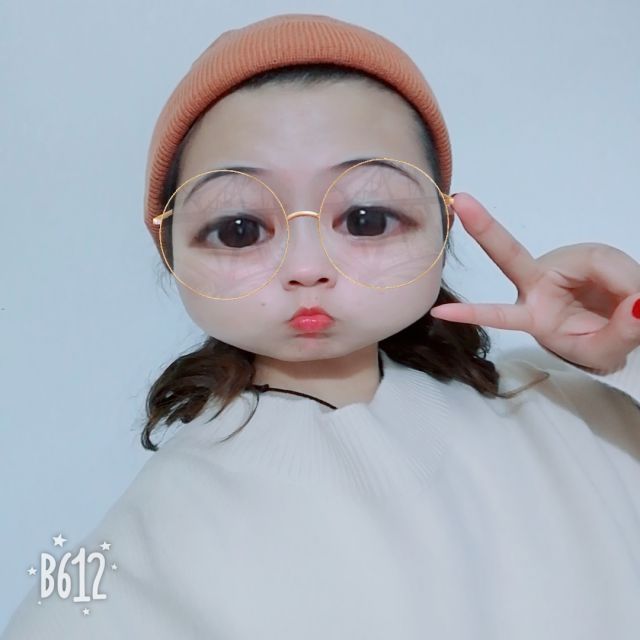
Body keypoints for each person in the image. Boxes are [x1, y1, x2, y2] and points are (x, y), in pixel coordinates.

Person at [3, 12, 639, 640]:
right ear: (171, 249)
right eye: (240, 229)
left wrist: (624, 353)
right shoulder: (143, 550)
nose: (307, 268)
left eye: (366, 219)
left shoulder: (570, 406)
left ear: (442, 226)